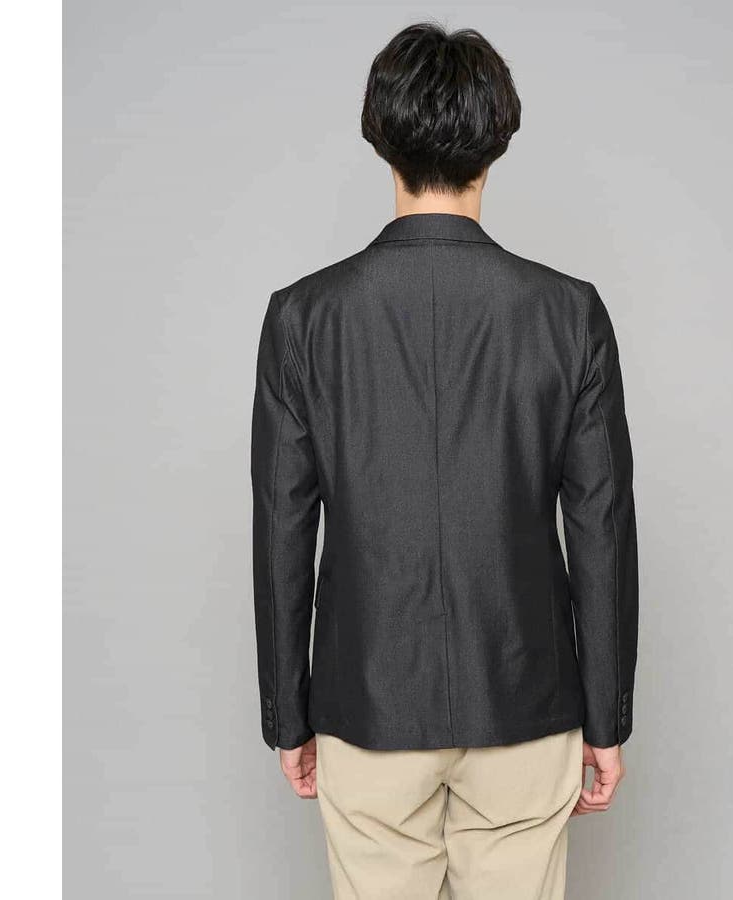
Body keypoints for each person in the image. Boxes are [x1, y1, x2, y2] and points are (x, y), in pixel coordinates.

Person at [251, 22, 638, 900]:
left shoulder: (303, 318)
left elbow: (282, 525)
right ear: (495, 142)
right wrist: (606, 715)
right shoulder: (568, 313)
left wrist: (287, 713)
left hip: (365, 703)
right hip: (526, 701)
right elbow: (601, 526)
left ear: (380, 137)